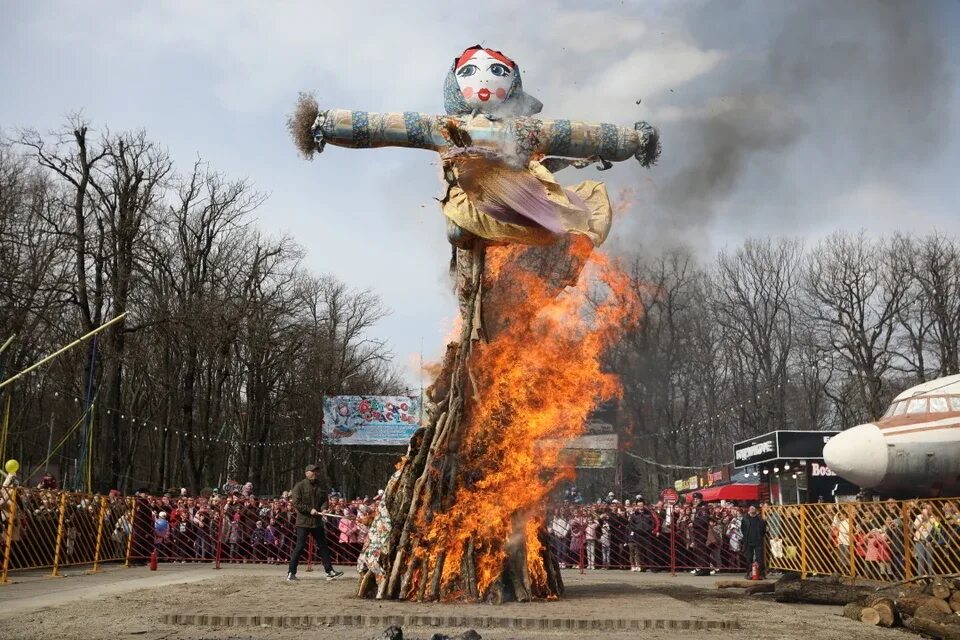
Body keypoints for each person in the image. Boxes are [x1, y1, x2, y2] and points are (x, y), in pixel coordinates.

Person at [286, 464, 343, 581]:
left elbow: (324, 500)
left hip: (317, 522)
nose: (315, 474)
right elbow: (296, 502)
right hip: (303, 522)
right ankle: (291, 573)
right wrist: (309, 510)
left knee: (323, 546)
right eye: (312, 471)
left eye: (316, 471)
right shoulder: (299, 486)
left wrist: (324, 509)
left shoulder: (321, 486)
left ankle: (329, 571)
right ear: (306, 473)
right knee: (300, 546)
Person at [741, 505, 766, 579]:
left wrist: (760, 537)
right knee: (749, 558)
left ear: (756, 510)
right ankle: (749, 573)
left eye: (753, 508)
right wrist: (746, 537)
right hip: (748, 541)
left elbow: (763, 530)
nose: (751, 509)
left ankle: (761, 573)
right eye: (750, 508)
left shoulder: (760, 519)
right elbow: (743, 529)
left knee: (759, 558)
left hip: (758, 541)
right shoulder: (745, 519)